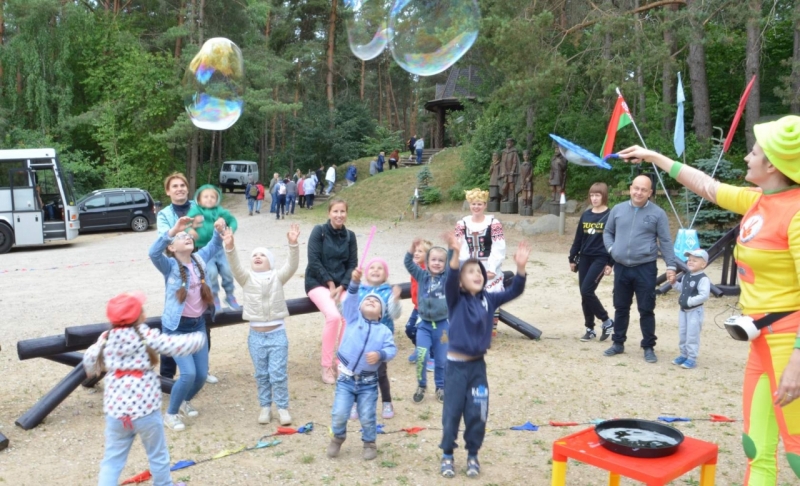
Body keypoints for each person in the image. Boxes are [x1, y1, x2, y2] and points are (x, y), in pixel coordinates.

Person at [618, 116, 800, 483]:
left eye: (754, 152)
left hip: (788, 345)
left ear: (774, 164)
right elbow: (708, 186)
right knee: (756, 447)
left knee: (796, 449)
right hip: (760, 342)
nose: (747, 157)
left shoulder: (796, 212)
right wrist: (655, 157)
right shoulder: (758, 200)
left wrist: (798, 359)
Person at [83, 292, 205, 486]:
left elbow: (89, 359)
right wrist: (197, 339)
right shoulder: (144, 334)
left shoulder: (105, 338)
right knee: (157, 454)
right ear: (139, 316)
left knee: (112, 460)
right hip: (146, 411)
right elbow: (172, 345)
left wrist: (92, 370)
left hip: (117, 414)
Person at [439, 233, 530, 479]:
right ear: (460, 281)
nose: (477, 274)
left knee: (478, 413)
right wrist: (456, 255)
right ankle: (447, 453)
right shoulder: (455, 299)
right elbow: (449, 279)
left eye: (479, 271)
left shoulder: (489, 299)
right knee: (452, 414)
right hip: (456, 369)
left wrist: (520, 269)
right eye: (470, 272)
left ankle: (472, 454)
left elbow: (515, 290)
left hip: (477, 369)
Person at [149, 216, 227, 431]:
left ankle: (184, 401)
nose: (186, 238)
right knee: (188, 374)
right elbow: (153, 253)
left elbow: (215, 243)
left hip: (198, 325)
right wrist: (174, 230)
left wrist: (219, 228)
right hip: (176, 328)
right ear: (172, 247)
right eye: (180, 238)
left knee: (201, 375)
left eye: (188, 236)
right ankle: (170, 414)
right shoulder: (169, 265)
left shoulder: (199, 260)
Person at [226, 224, 300, 425]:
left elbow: (292, 266)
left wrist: (293, 245)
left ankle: (283, 408)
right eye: (254, 255)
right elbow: (234, 266)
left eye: (263, 255)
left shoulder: (277, 277)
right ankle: (265, 407)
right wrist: (230, 247)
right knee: (261, 374)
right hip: (256, 336)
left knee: (278, 373)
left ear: (271, 262)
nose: (258, 257)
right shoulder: (246, 278)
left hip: (277, 334)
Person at [602, 175, 676, 363]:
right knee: (620, 307)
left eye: (644, 190)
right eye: (636, 188)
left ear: (650, 193)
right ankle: (618, 343)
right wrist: (612, 249)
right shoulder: (618, 210)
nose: (639, 192)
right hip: (622, 267)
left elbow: (665, 241)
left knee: (646, 308)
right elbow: (608, 232)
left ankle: (648, 346)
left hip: (645, 267)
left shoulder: (658, 214)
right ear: (630, 188)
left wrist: (671, 265)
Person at [326, 267, 397, 461]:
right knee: (340, 412)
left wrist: (381, 354)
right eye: (367, 299)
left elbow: (392, 351)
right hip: (346, 378)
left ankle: (369, 442)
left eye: (376, 301)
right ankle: (338, 437)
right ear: (358, 307)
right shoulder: (352, 318)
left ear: (381, 314)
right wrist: (355, 283)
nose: (371, 300)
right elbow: (349, 300)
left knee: (367, 415)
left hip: (368, 382)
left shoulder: (384, 331)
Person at [156, 173, 217, 385]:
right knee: (174, 317)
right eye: (175, 186)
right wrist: (190, 231)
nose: (180, 188)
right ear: (168, 191)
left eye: (183, 185)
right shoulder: (164, 214)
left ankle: (203, 368)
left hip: (199, 263)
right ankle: (167, 374)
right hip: (176, 267)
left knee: (201, 312)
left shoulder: (198, 206)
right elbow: (166, 239)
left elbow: (210, 232)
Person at [305, 198, 359, 384]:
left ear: (346, 213)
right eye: (335, 211)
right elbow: (313, 260)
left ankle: (341, 361)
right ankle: (326, 366)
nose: (339, 215)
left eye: (342, 211)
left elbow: (352, 264)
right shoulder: (318, 232)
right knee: (334, 316)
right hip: (318, 282)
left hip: (341, 285)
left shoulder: (350, 236)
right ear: (329, 213)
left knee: (349, 315)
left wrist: (342, 286)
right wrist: (329, 284)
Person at [349, 258, 402, 421]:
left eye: (380, 268)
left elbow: (395, 315)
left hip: (379, 341)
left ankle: (387, 402)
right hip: (360, 339)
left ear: (385, 275)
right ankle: (356, 403)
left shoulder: (388, 292)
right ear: (366, 273)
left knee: (380, 373)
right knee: (357, 373)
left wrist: (395, 300)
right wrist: (338, 300)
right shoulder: (361, 291)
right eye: (372, 267)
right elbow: (349, 310)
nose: (376, 270)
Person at [454, 188, 507, 336]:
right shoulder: (462, 223)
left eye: (479, 204)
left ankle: (489, 330)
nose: (476, 207)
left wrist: (492, 268)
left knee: (491, 294)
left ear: (484, 205)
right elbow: (460, 245)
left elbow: (499, 246)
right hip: (470, 265)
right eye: (473, 204)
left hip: (488, 264)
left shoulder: (493, 223)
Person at [404, 239, 450, 403]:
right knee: (422, 356)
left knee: (441, 360)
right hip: (424, 326)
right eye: (433, 260)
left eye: (441, 261)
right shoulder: (421, 276)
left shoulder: (447, 278)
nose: (437, 263)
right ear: (427, 262)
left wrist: (452, 246)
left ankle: (441, 387)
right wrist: (411, 248)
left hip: (443, 327)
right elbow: (408, 263)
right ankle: (422, 385)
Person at [568, 182, 614, 342]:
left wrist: (610, 263)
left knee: (587, 290)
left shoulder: (610, 215)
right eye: (592, 195)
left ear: (604, 196)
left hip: (600, 259)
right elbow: (578, 238)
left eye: (598, 195)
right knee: (584, 294)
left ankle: (607, 321)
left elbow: (614, 240)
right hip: (585, 258)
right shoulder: (586, 215)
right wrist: (572, 258)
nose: (594, 198)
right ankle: (590, 328)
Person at [187, 184, 241, 313]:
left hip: (219, 249)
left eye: (213, 196)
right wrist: (190, 230)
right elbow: (185, 224)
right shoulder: (195, 211)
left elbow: (233, 221)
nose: (209, 199)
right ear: (198, 200)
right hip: (204, 250)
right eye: (205, 196)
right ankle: (214, 298)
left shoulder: (220, 211)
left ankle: (229, 295)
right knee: (211, 273)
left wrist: (230, 230)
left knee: (228, 271)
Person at [670, 249, 710, 370]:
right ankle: (684, 354)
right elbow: (682, 288)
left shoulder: (703, 279)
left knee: (692, 334)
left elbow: (704, 295)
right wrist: (674, 283)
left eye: (695, 260)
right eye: (689, 260)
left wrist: (690, 301)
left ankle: (692, 358)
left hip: (694, 311)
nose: (690, 262)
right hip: (683, 311)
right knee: (683, 333)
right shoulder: (686, 275)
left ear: (703, 264)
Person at [405, 239, 433, 363]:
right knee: (410, 328)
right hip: (417, 307)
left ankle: (430, 355)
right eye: (415, 251)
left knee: (428, 331)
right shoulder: (414, 268)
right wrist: (411, 248)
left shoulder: (429, 270)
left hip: (428, 309)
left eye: (420, 251)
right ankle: (420, 348)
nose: (416, 253)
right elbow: (407, 261)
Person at [499, 138, 520, 202]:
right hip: (505, 172)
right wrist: (503, 171)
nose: (507, 144)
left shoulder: (514, 152)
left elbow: (515, 162)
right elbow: (502, 162)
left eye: (509, 143)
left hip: (511, 173)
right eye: (507, 143)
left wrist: (512, 171)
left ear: (512, 143)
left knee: (511, 186)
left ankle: (512, 198)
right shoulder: (504, 152)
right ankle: (505, 197)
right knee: (504, 186)